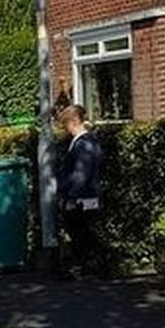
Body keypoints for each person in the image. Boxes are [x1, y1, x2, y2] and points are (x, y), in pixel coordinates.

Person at [57, 103, 104, 275]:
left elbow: (81, 173)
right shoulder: (89, 142)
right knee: (85, 232)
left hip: (82, 197)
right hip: (88, 195)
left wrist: (71, 196)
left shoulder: (83, 144)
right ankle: (90, 265)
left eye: (66, 124)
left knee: (81, 233)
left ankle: (89, 266)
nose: (65, 129)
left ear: (73, 122)